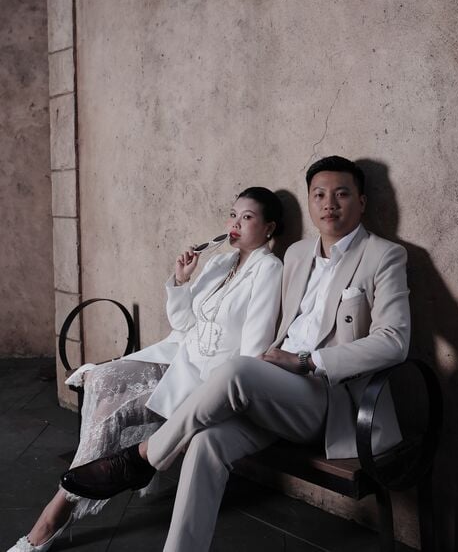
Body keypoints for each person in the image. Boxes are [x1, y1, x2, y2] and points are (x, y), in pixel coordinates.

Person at [58, 156, 411, 552]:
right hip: (276, 388)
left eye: (341, 194)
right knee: (206, 443)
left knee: (237, 370)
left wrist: (308, 361)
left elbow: (394, 341)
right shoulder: (297, 254)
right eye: (319, 195)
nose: (329, 203)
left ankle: (143, 458)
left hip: (328, 398)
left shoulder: (384, 255)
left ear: (361, 202)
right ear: (311, 202)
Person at [7, 186, 284, 552]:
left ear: (269, 228)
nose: (235, 224)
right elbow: (183, 323)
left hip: (208, 381)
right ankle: (93, 480)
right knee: (102, 380)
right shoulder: (219, 263)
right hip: (178, 358)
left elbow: (251, 352)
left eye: (247, 218)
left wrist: (216, 395)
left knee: (112, 411)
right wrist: (182, 280)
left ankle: (54, 515)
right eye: (233, 215)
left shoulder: (269, 269)